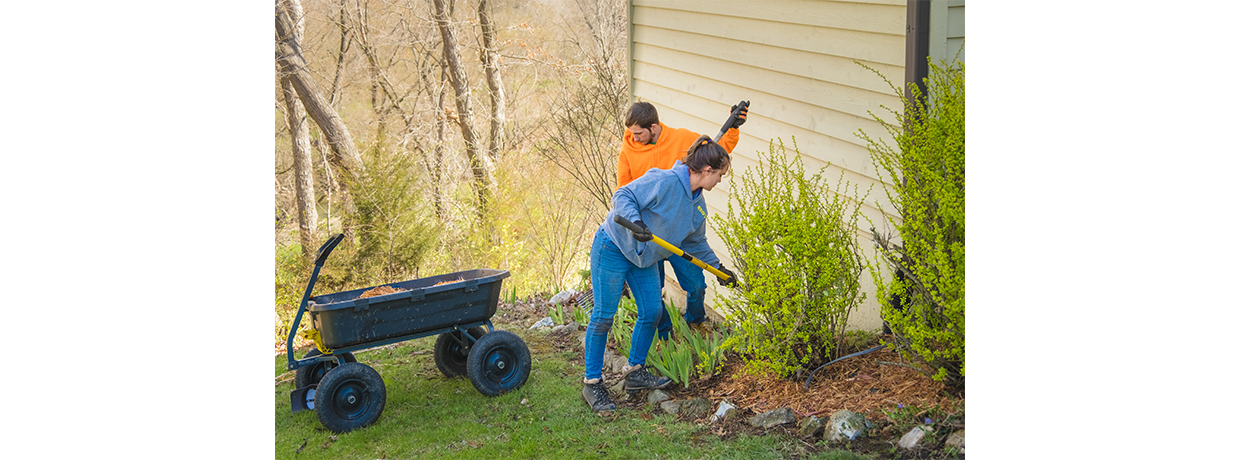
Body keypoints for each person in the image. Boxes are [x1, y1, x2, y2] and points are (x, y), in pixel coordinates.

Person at [583, 135, 739, 412]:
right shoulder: (665, 180)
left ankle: (634, 373)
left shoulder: (697, 204)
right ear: (706, 171)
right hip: (615, 246)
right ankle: (592, 382)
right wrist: (636, 221)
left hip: (644, 259)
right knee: (604, 316)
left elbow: (695, 242)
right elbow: (623, 195)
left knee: (652, 312)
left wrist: (719, 269)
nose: (720, 180)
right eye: (720, 175)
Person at [616, 102, 747, 340]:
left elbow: (716, 155)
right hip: (649, 234)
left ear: (653, 126)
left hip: (680, 231)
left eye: (639, 134)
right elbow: (623, 190)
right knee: (653, 294)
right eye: (631, 134)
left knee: (696, 284)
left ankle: (695, 322)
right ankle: (665, 335)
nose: (634, 139)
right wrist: (634, 227)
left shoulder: (682, 140)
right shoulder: (628, 151)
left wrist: (734, 127)